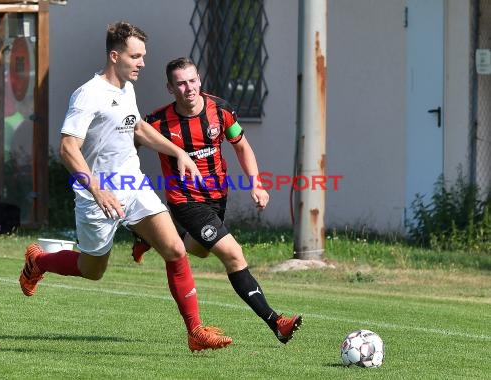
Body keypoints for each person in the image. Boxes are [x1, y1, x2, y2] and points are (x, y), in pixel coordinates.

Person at [18, 23, 232, 352]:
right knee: (92, 270)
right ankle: (40, 262)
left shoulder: (126, 90)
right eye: (136, 56)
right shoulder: (88, 94)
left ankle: (195, 331)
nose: (142, 62)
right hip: (96, 196)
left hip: (132, 185)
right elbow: (67, 149)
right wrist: (98, 191)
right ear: (115, 56)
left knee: (175, 249)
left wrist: (178, 152)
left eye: (143, 56)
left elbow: (138, 128)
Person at [133, 57, 302, 344]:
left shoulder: (221, 111)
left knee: (197, 250)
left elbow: (242, 147)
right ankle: (277, 323)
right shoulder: (157, 122)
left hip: (217, 199)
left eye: (192, 80)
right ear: (170, 88)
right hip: (185, 201)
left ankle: (153, 237)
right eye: (181, 83)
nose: (189, 88)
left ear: (199, 80)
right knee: (233, 255)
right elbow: (128, 143)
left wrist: (256, 185)